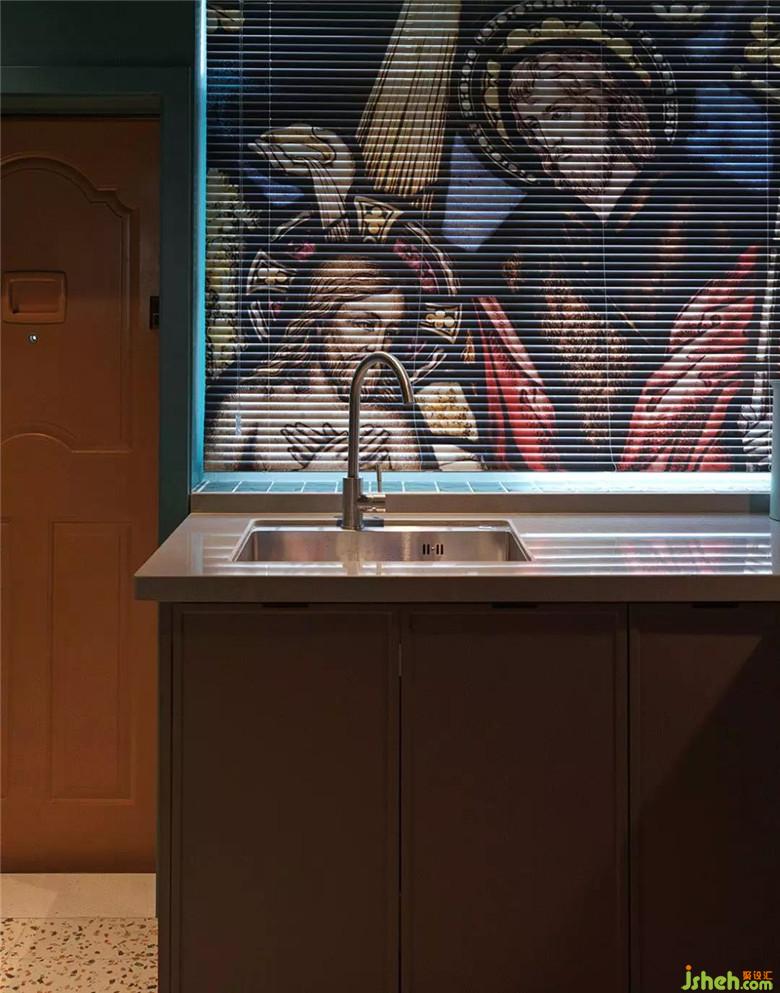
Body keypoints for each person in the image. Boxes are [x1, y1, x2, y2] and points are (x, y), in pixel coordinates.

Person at [473, 45, 766, 471]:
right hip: (565, 487)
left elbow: (738, 349)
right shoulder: (518, 246)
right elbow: (510, 379)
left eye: (559, 114)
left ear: (610, 105)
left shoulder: (719, 213)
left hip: (693, 484)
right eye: (531, 128)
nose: (547, 141)